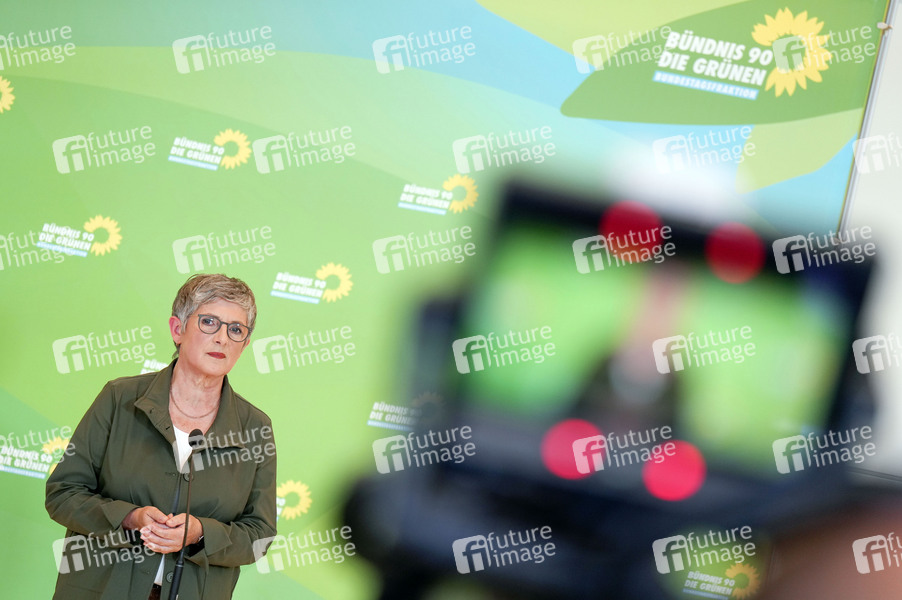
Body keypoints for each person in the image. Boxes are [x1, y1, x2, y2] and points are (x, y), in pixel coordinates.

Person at [46, 274, 277, 600]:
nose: (222, 338)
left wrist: (201, 533)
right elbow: (63, 493)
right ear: (177, 329)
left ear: (245, 344)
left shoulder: (255, 427)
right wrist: (129, 518)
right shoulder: (119, 399)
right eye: (209, 322)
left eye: (236, 329)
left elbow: (259, 536)